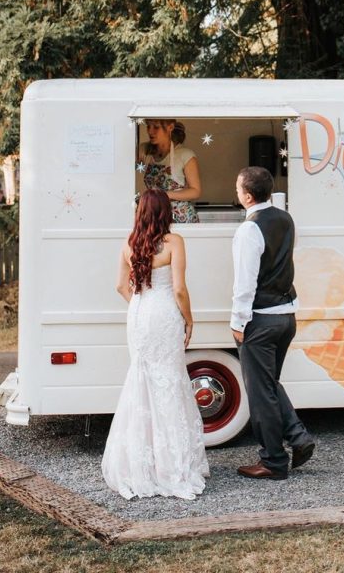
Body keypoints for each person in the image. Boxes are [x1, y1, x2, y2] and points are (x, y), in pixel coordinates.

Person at [102, 188, 209, 500]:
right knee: (169, 382)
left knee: (142, 381)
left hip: (139, 312)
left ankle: (138, 465)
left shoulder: (129, 243)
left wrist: (139, 302)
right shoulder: (174, 242)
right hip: (164, 313)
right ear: (166, 211)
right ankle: (170, 465)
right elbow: (179, 289)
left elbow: (120, 285)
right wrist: (189, 319)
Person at [231, 166, 315, 480]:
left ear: (247, 195)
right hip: (286, 317)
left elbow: (245, 283)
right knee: (267, 385)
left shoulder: (249, 229)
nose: (236, 191)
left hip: (260, 319)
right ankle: (298, 437)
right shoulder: (285, 218)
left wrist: (238, 321)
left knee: (260, 392)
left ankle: (274, 462)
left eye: (238, 187)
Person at [139, 119, 201, 223]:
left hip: (180, 217)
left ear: (170, 127)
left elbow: (195, 191)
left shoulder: (185, 155)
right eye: (148, 126)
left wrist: (164, 195)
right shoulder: (146, 151)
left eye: (156, 127)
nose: (150, 131)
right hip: (156, 216)